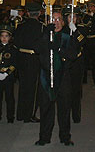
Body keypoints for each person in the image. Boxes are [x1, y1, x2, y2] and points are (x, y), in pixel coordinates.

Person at [33, 9, 78, 146]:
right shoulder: (44, 35)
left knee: (64, 109)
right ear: (48, 21)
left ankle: (65, 136)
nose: (56, 22)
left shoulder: (67, 36)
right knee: (46, 108)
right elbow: (37, 49)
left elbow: (73, 55)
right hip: (46, 77)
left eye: (59, 19)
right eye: (53, 19)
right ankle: (44, 137)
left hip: (62, 77)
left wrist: (58, 49)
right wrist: (47, 35)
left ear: (63, 22)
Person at [14, 8, 43, 123]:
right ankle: (29, 114)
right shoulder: (41, 27)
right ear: (39, 13)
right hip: (34, 58)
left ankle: (21, 113)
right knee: (33, 88)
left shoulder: (21, 26)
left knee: (23, 87)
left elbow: (15, 41)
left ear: (28, 13)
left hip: (22, 58)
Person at [65, 7, 85, 123]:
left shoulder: (80, 29)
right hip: (66, 62)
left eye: (74, 17)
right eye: (69, 17)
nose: (72, 19)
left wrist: (75, 30)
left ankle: (76, 115)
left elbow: (82, 41)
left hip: (77, 63)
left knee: (76, 90)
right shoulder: (63, 30)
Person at [0, 23, 17, 123]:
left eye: (6, 36)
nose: (4, 38)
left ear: (10, 37)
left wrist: (7, 73)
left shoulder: (13, 49)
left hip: (8, 76)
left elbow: (15, 63)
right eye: (2, 36)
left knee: (9, 97)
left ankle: (10, 117)